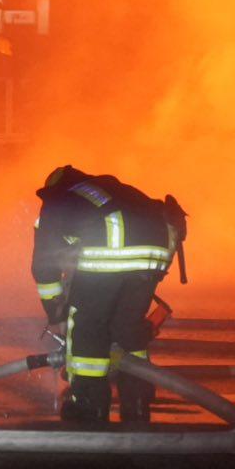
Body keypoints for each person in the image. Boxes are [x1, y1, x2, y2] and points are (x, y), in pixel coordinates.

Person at [30, 166, 182, 424]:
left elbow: (45, 265)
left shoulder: (57, 200)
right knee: (128, 329)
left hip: (112, 253)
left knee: (88, 327)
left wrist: (56, 310)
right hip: (157, 252)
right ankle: (137, 400)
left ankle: (89, 405)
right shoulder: (100, 191)